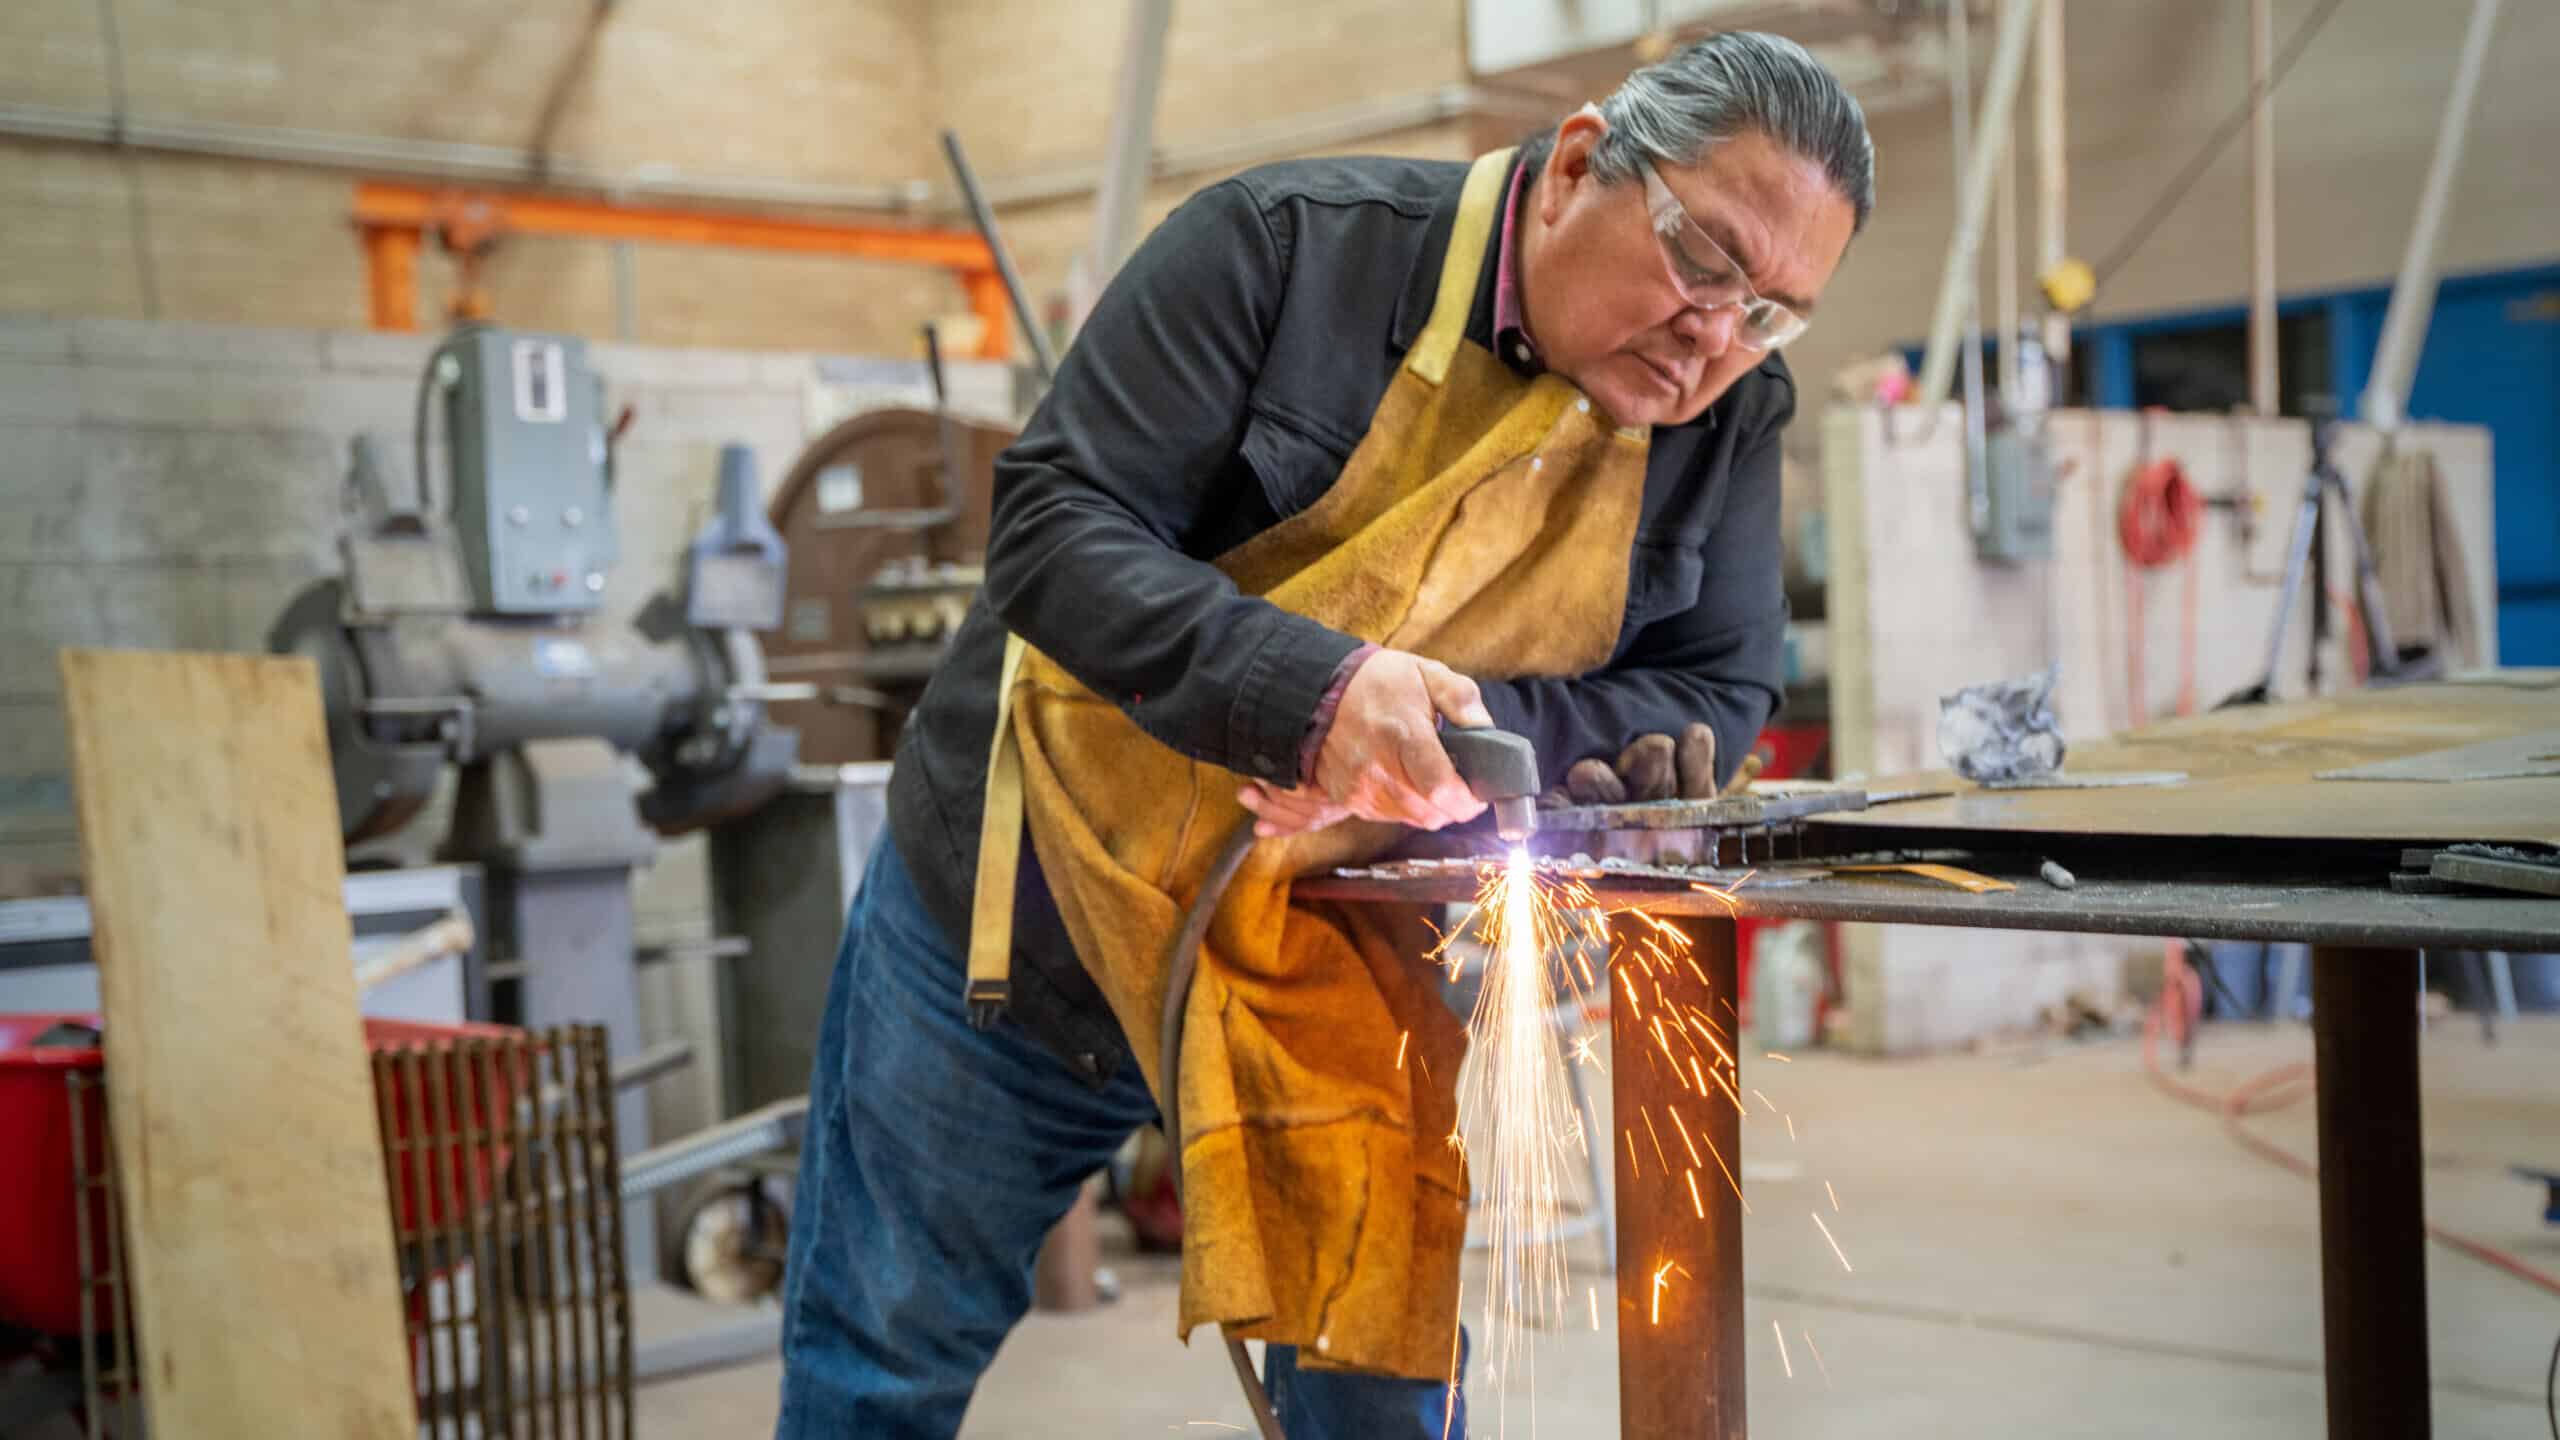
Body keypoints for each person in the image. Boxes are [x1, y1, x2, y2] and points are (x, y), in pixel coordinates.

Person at [777, 31, 1874, 1439]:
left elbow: (1715, 691)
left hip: (1342, 961)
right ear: (1584, 163)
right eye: (1701, 263)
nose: (1715, 337)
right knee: (879, 1371)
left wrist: (1448, 742)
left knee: (1380, 1399)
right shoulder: (1286, 251)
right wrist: (1314, 698)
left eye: (1771, 311)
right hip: (1039, 907)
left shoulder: (1728, 424)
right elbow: (1051, 529)